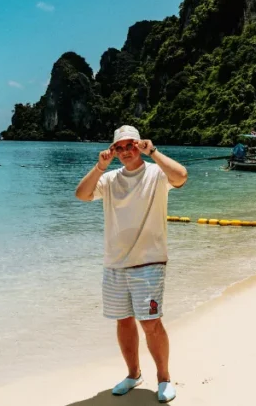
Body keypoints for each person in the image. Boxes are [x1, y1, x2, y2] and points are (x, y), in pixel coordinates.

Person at [75, 125, 188, 403]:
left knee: (150, 322)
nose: (126, 151)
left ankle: (163, 378)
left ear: (140, 145)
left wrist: (155, 152)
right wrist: (100, 166)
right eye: (119, 147)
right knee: (123, 321)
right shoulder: (110, 179)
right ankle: (133, 374)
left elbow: (182, 176)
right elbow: (82, 194)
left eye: (131, 145)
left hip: (149, 262)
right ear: (113, 151)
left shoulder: (156, 174)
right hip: (114, 264)